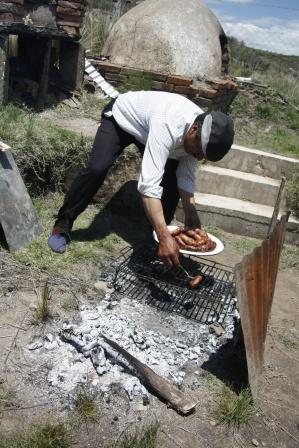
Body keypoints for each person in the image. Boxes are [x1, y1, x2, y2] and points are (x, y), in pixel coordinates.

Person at [48, 90, 234, 267]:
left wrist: (190, 212)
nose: (199, 157)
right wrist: (165, 235)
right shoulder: (168, 124)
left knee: (170, 187)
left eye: (203, 156)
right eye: (199, 151)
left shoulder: (199, 136)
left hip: (149, 131)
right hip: (122, 119)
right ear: (193, 130)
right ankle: (63, 223)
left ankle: (153, 243)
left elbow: (184, 177)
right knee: (97, 168)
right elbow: (148, 187)